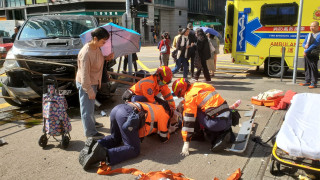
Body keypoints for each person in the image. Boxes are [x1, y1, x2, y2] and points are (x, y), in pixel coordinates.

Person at [79, 101, 179, 169]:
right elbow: (163, 138)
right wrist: (171, 130)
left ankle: (95, 144)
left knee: (116, 138)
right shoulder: (164, 114)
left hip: (118, 109)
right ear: (169, 112)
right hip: (127, 116)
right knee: (134, 149)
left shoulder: (155, 106)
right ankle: (103, 154)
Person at [172, 78, 235, 156]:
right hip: (228, 117)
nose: (181, 97)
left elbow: (188, 120)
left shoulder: (190, 97)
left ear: (181, 90)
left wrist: (186, 142)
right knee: (199, 108)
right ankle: (226, 131)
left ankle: (198, 134)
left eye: (180, 95)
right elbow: (199, 98)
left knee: (193, 113)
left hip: (216, 124)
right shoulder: (199, 86)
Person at [76, 27, 114, 139]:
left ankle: (92, 123)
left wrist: (106, 58)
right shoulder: (86, 53)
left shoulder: (96, 47)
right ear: (95, 38)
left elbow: (97, 59)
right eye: (103, 41)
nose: (104, 43)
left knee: (91, 106)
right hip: (86, 83)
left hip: (93, 81)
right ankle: (90, 132)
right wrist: (89, 90)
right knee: (86, 109)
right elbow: (84, 75)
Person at [300, 21, 320, 89]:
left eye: (314, 26)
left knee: (313, 68)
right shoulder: (308, 35)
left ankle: (314, 83)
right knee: (307, 67)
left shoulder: (319, 35)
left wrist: (306, 51)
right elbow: (303, 43)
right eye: (311, 26)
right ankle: (307, 81)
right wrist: (304, 46)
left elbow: (315, 45)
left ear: (318, 27)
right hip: (307, 54)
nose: (312, 28)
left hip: (314, 54)